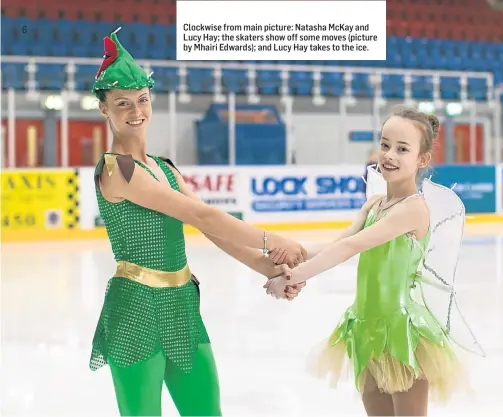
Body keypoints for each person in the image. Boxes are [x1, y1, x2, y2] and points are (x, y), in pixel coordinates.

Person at [88, 27, 307, 416]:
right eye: (123, 104)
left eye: (142, 100)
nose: (136, 112)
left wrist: (269, 267)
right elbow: (202, 214)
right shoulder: (117, 170)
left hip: (181, 305)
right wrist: (272, 239)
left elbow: (210, 228)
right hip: (136, 308)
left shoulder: (164, 167)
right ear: (104, 108)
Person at [265, 108, 469, 416]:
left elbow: (350, 247)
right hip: (364, 328)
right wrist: (291, 253)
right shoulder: (375, 204)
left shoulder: (413, 210)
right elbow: (335, 243)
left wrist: (292, 278)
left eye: (402, 149)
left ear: (422, 160)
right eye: (385, 144)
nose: (389, 154)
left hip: (402, 332)